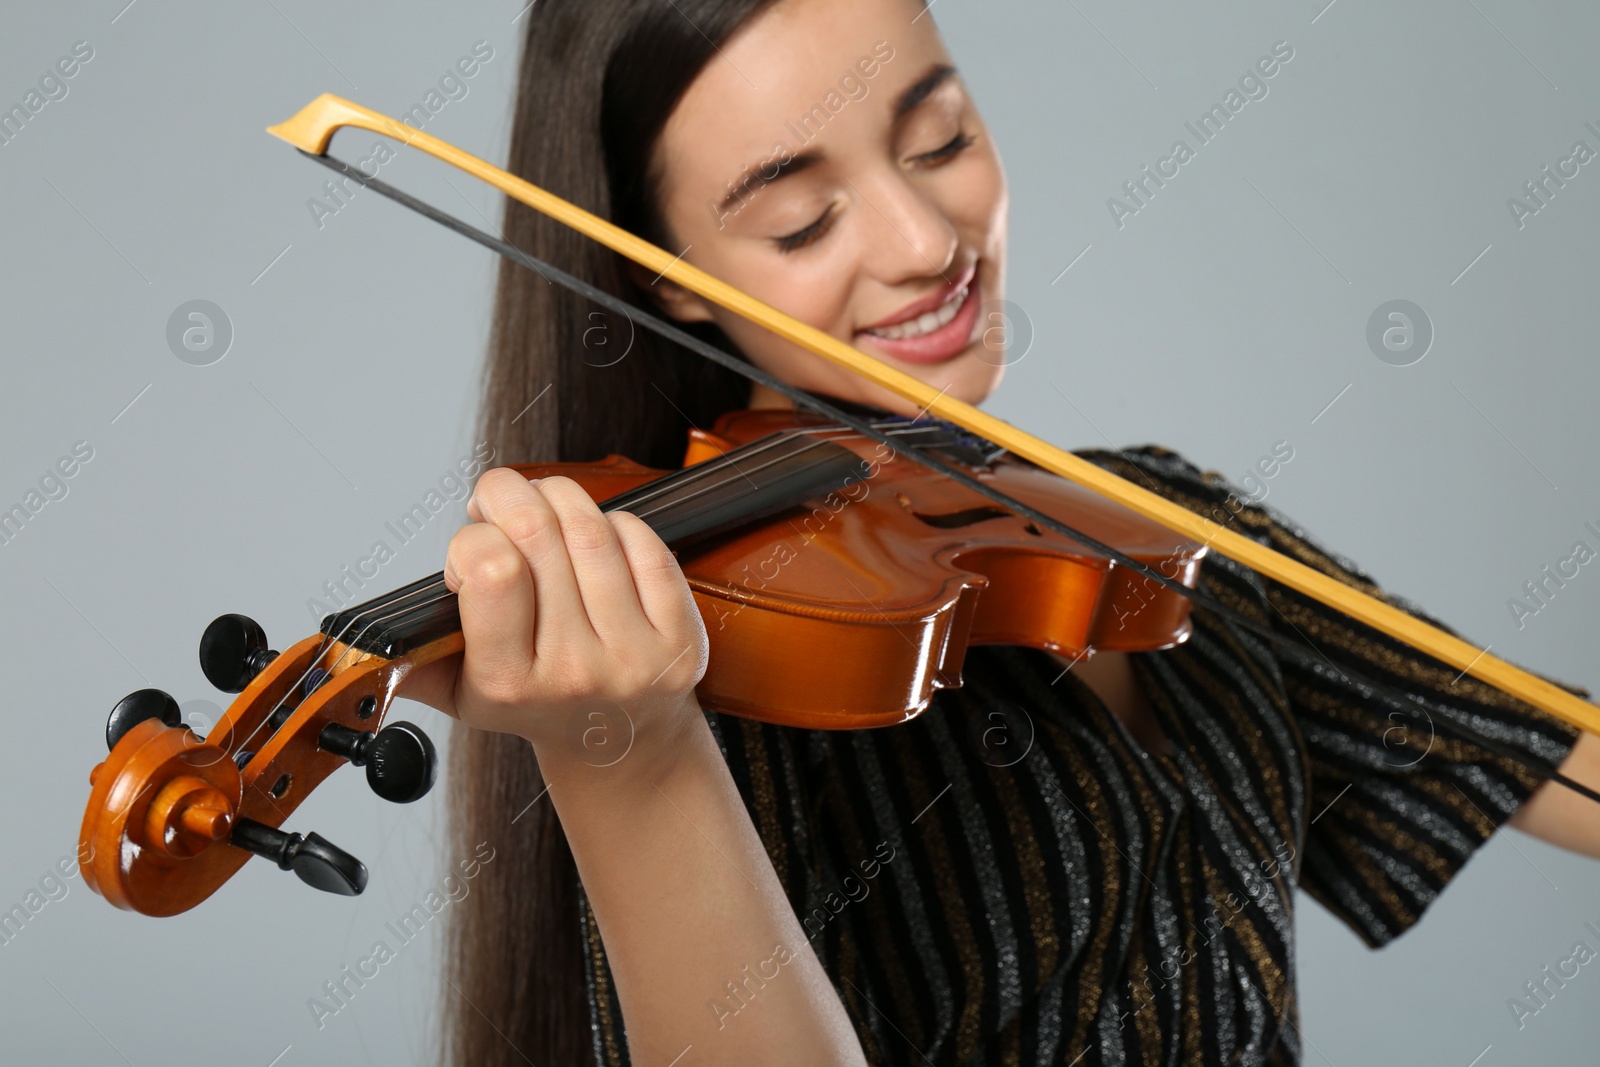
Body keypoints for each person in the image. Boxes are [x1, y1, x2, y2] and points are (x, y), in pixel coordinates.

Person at [397, 1, 1600, 1064]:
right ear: (664, 274)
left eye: (942, 140)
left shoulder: (1147, 516)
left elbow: (1534, 749)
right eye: (803, 220)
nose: (927, 244)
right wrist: (631, 756)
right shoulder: (702, 642)